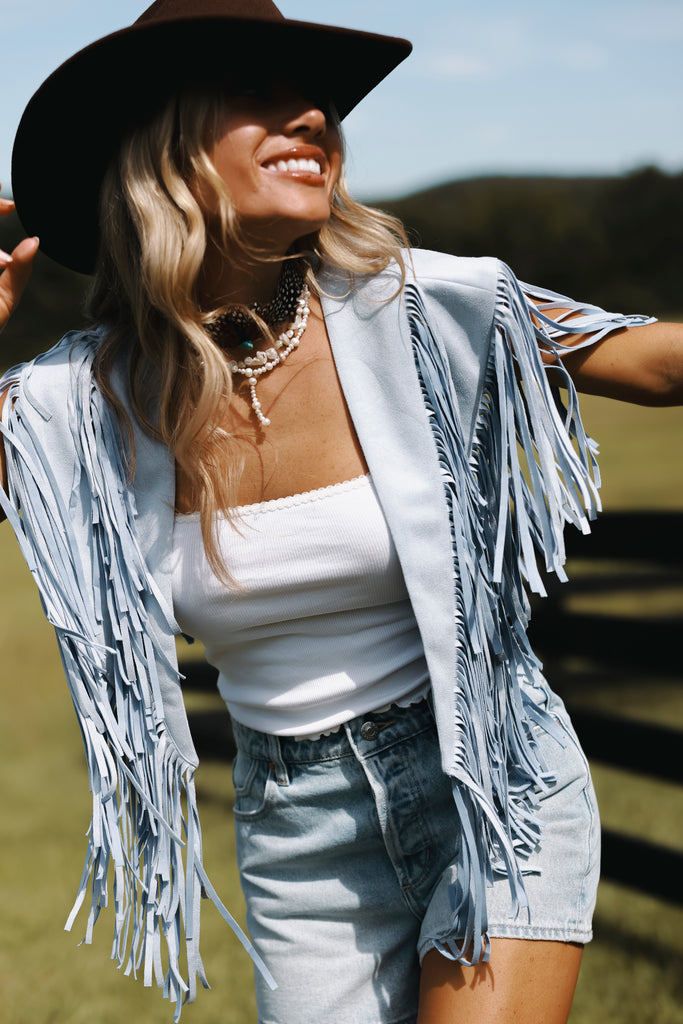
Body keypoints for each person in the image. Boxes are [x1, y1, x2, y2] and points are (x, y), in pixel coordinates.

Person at [1, 2, 682, 1022]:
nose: (311, 115)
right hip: (298, 836)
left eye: (315, 98)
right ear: (160, 146)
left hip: (490, 782)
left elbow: (655, 360)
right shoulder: (78, 404)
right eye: (256, 93)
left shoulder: (429, 308)